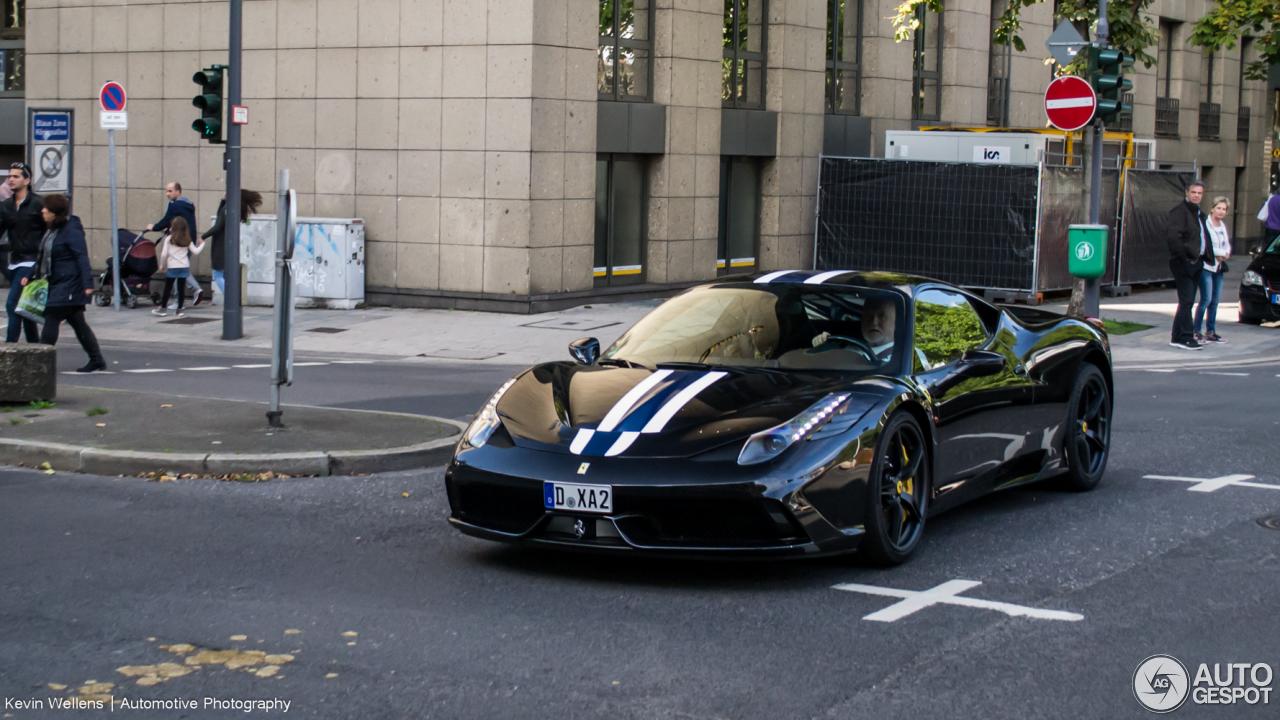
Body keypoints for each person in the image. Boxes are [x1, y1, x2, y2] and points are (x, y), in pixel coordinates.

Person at [21, 194, 105, 372]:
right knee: (78, 323)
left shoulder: (71, 230)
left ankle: (41, 363)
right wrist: (30, 274)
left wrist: (88, 283)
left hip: (69, 284)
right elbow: (44, 256)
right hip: (58, 282)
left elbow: (81, 256)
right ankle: (97, 359)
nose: (42, 210)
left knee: (52, 317)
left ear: (55, 212)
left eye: (47, 208)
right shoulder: (53, 230)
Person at [0, 162, 45, 343]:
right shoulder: (6, 206)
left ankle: (10, 349)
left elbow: (48, 233)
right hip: (15, 261)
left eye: (16, 176)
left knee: (13, 304)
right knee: (25, 307)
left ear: (27, 180)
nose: (11, 179)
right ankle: (36, 349)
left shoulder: (38, 203)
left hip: (32, 261)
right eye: (10, 176)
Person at [1167, 181, 1212, 350]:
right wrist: (1185, 259)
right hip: (1183, 262)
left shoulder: (1198, 213)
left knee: (1188, 301)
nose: (1196, 195)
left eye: (1199, 193)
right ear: (1187, 192)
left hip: (1196, 262)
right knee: (1186, 300)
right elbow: (1174, 238)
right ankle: (1186, 336)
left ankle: (1177, 336)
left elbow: (1202, 236)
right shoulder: (1180, 212)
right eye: (1193, 192)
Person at [146, 181, 203, 307]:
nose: (168, 194)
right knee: (183, 267)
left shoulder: (174, 205)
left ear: (178, 191)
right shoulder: (189, 205)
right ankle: (190, 294)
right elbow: (181, 222)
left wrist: (154, 227)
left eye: (170, 191)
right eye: (167, 191)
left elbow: (167, 220)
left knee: (178, 270)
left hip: (178, 242)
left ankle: (183, 299)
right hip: (189, 240)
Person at [200, 190, 262, 303]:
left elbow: (217, 226)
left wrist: (203, 237)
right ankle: (233, 296)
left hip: (220, 244)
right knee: (225, 274)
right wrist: (223, 201)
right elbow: (220, 216)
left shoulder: (227, 210)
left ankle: (231, 298)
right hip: (229, 244)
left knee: (218, 274)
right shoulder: (234, 209)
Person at [1194, 197, 1232, 344]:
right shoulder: (1206, 224)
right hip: (1206, 267)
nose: (1221, 211)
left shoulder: (1222, 226)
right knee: (1206, 299)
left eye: (1224, 209)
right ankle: (1196, 331)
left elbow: (1227, 244)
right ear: (1212, 208)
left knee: (1215, 301)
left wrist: (1226, 253)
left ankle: (1211, 331)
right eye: (1218, 208)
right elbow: (1207, 246)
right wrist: (1223, 253)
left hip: (1218, 267)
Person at [152, 217, 205, 318]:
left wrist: (162, 265)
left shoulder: (169, 239)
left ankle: (163, 308)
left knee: (168, 288)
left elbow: (163, 254)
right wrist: (202, 244)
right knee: (181, 288)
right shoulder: (187, 239)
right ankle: (179, 310)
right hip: (184, 266)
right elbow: (196, 251)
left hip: (172, 267)